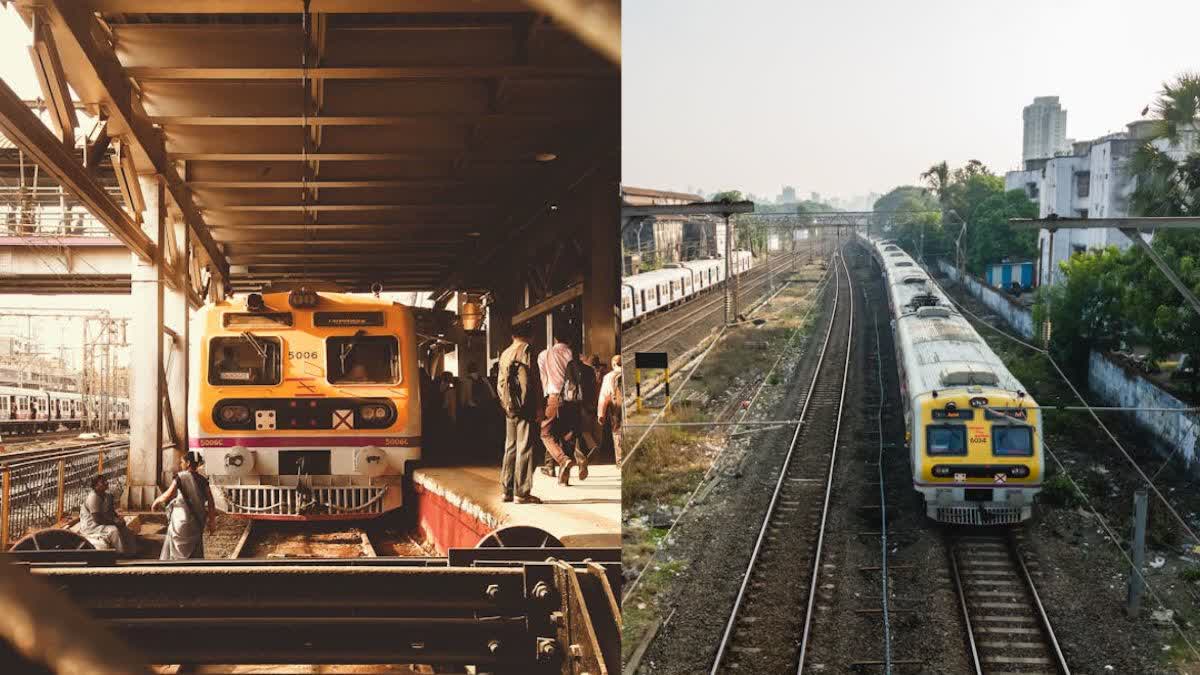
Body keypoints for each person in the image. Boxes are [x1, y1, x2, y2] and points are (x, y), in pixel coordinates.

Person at [496, 322, 542, 503]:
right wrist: (538, 406)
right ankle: (522, 492)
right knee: (525, 446)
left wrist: (506, 404)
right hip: (526, 406)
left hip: (509, 406)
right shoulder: (527, 350)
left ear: (512, 335)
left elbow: (500, 383)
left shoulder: (505, 353)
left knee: (511, 446)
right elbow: (534, 381)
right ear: (530, 335)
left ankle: (506, 490)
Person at [537, 327, 588, 485]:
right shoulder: (574, 355)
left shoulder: (544, 354)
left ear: (555, 339)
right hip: (572, 400)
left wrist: (545, 397)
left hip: (553, 397)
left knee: (545, 433)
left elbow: (543, 379)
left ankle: (563, 460)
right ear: (570, 340)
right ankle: (563, 478)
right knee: (567, 436)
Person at [152, 451, 216, 560]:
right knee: (195, 548)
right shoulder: (203, 480)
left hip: (181, 520)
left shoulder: (180, 477)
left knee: (177, 550)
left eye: (182, 462)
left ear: (188, 463)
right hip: (197, 521)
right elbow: (211, 502)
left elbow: (168, 495)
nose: (181, 464)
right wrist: (212, 522)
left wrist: (156, 501)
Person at [78, 475, 137, 555]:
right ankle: (121, 555)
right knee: (113, 530)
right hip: (92, 526)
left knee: (126, 530)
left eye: (106, 481)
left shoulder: (108, 496)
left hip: (102, 524)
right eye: (102, 482)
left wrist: (119, 519)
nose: (106, 483)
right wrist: (115, 523)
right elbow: (97, 519)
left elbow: (112, 512)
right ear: (95, 486)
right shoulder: (93, 497)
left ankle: (132, 552)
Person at [598, 355, 624, 464]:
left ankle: (620, 460)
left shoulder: (609, 377)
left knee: (617, 432)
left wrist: (601, 414)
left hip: (616, 408)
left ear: (613, 364)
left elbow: (604, 397)